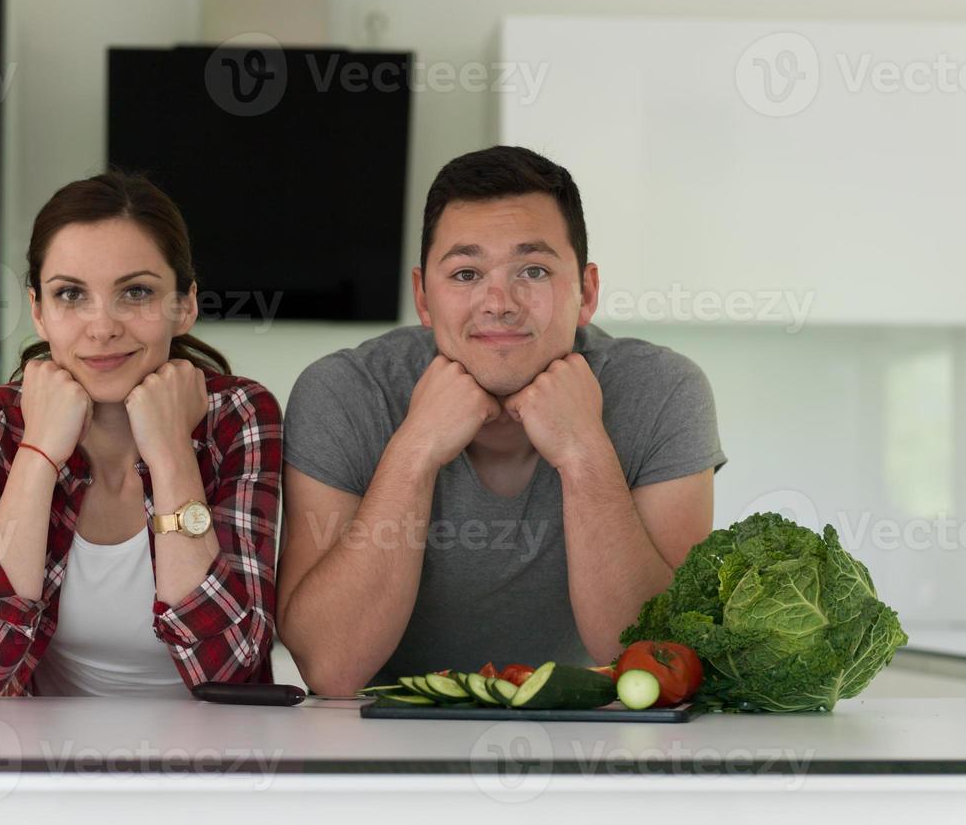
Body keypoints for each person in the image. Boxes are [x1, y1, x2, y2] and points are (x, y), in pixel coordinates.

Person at [276, 146, 726, 695]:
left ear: (585, 292)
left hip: (594, 736)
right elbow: (330, 668)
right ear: (423, 296)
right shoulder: (344, 392)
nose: (499, 303)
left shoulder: (663, 392)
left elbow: (661, 661)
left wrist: (585, 452)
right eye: (466, 273)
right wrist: (414, 450)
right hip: (379, 738)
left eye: (532, 270)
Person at [0, 171, 281, 699]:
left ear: (185, 304)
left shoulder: (237, 416)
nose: (102, 327)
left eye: (135, 292)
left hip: (214, 762)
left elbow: (229, 665)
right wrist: (40, 451)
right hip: (47, 766)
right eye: (70, 294)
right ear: (38, 311)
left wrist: (170, 453)